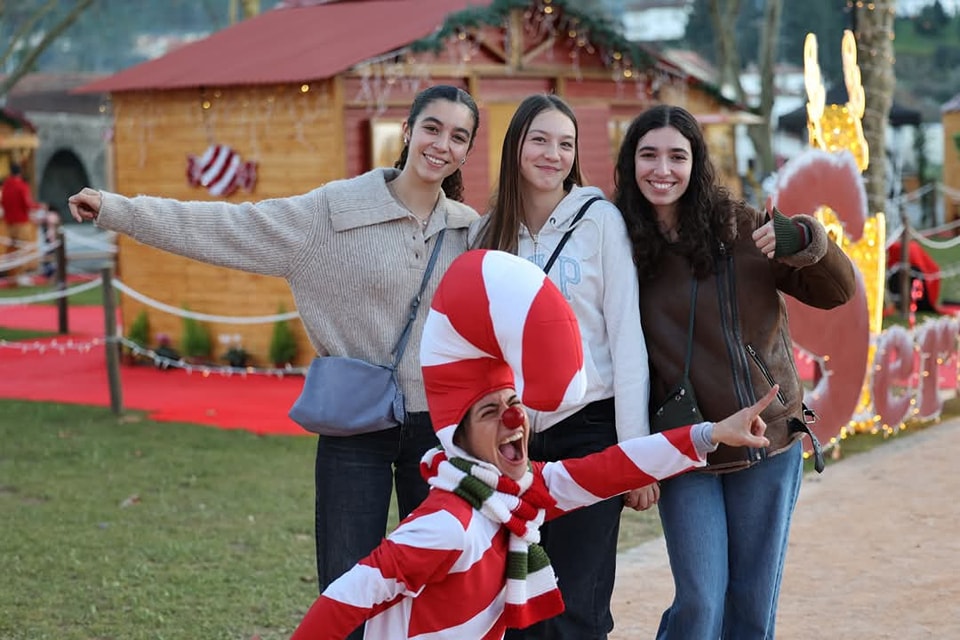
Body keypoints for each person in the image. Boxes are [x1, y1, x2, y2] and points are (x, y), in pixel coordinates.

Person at [67, 84, 481, 640]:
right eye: (432, 128)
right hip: (355, 425)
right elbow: (225, 229)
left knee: (441, 586)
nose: (442, 144)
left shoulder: (470, 231)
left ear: (467, 151)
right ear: (407, 132)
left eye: (459, 136)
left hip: (440, 432)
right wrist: (119, 210)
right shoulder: (332, 213)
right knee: (347, 588)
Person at [290, 248, 777, 640]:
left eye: (513, 401)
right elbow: (347, 597)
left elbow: (612, 468)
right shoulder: (447, 525)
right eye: (489, 411)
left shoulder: (517, 491)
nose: (514, 418)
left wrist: (710, 433)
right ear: (459, 434)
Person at [613, 104, 857, 639]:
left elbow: (838, 292)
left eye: (677, 156)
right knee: (700, 605)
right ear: (630, 162)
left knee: (750, 605)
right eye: (648, 154)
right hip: (686, 445)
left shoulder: (742, 227)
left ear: (696, 163)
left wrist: (805, 242)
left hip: (765, 442)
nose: (662, 169)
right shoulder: (620, 243)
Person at [471, 94, 652, 640]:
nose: (553, 154)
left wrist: (633, 455)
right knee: (518, 601)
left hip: (588, 430)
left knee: (578, 601)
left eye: (565, 144)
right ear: (516, 147)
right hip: (513, 439)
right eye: (540, 140)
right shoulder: (488, 233)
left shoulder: (600, 222)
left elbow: (626, 338)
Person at [1, 162, 45, 285]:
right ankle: (21, 276)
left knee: (11, 250)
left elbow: (3, 202)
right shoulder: (22, 186)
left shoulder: (6, 185)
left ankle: (12, 276)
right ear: (20, 172)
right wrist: (40, 206)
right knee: (23, 250)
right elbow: (27, 204)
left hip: (8, 223)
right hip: (21, 223)